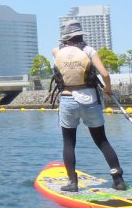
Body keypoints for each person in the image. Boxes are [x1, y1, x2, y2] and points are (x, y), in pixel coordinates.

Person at [52, 20, 127, 192]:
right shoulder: (89, 51)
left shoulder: (57, 51)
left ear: (65, 37)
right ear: (81, 34)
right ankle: (118, 181)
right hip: (90, 99)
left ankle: (72, 183)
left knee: (69, 143)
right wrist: (108, 89)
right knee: (102, 140)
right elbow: (105, 74)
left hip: (68, 99)